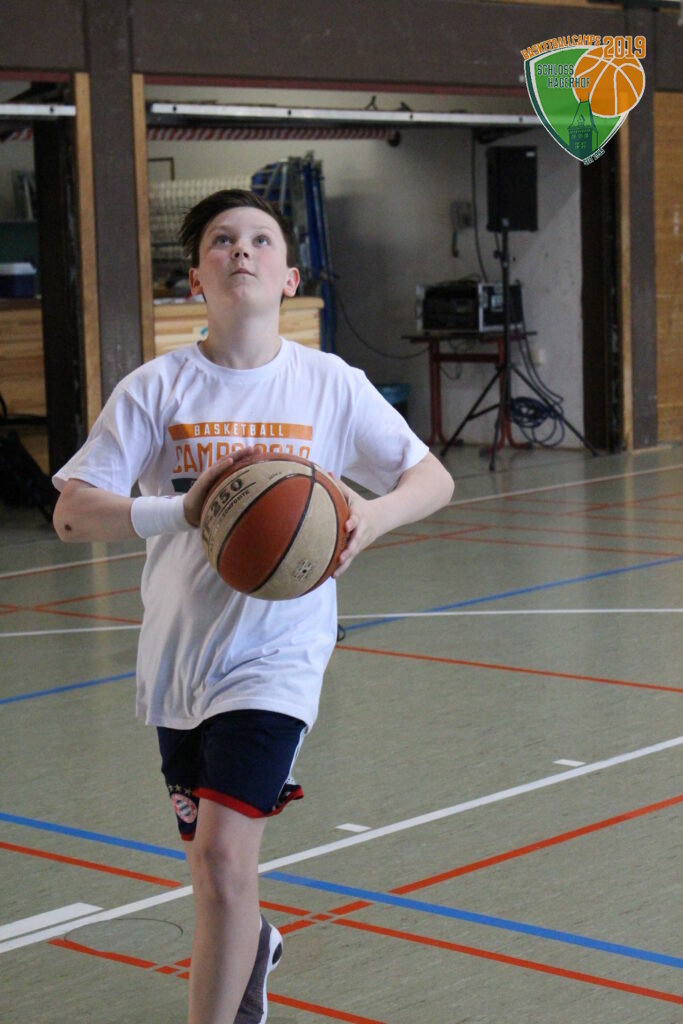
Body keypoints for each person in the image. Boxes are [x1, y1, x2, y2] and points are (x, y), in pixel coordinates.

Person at [53, 189, 454, 1024]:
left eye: (262, 240)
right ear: (195, 278)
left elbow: (432, 477)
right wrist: (183, 509)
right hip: (180, 660)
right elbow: (70, 513)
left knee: (224, 861)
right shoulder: (156, 388)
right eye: (222, 241)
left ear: (290, 277)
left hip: (278, 658)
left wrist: (370, 517)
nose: (243, 250)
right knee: (212, 872)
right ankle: (255, 944)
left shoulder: (328, 383)